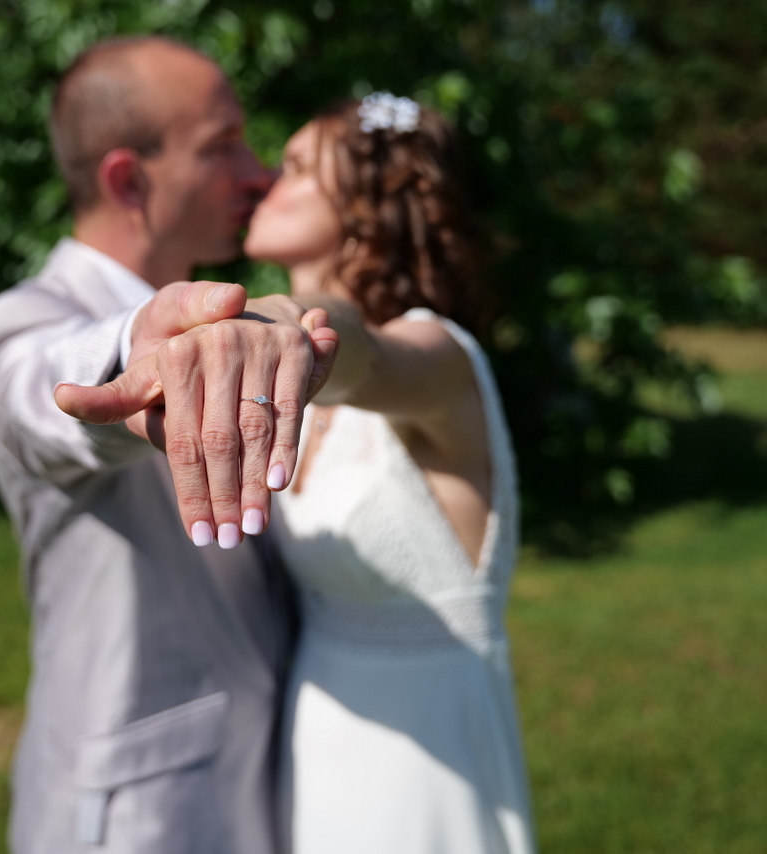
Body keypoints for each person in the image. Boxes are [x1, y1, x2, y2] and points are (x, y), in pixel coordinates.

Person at [0, 37, 335, 854]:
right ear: (128, 180)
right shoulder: (22, 324)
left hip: (274, 783)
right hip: (140, 817)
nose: (259, 174)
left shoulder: (244, 324)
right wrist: (142, 350)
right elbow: (54, 388)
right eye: (222, 146)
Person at [241, 93, 537, 852]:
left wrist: (274, 329)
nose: (265, 184)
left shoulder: (436, 360)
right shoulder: (288, 404)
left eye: (298, 167)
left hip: (428, 758)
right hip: (312, 740)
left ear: (367, 203)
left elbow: (363, 353)